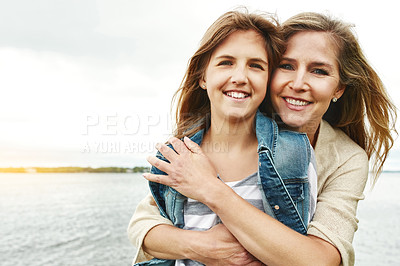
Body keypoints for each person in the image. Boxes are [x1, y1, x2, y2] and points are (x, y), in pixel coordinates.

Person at [128, 11, 397, 266]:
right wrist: (203, 247)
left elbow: (321, 258)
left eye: (319, 71)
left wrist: (211, 189)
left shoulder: (344, 158)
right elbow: (145, 223)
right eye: (286, 66)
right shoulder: (225, 127)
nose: (299, 83)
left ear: (339, 87)